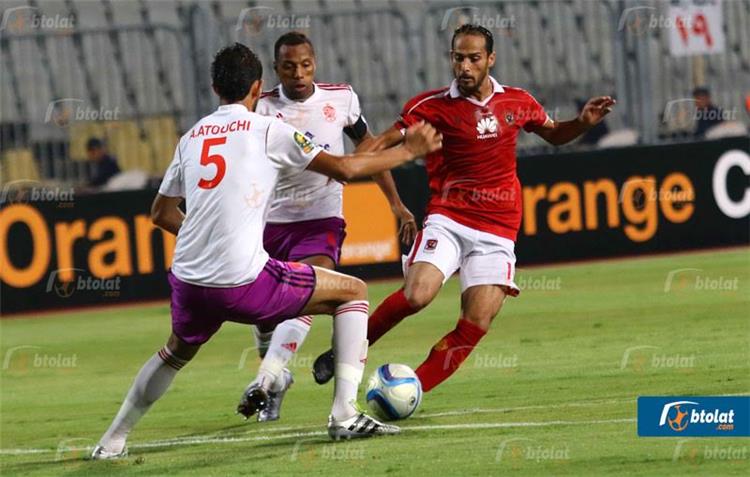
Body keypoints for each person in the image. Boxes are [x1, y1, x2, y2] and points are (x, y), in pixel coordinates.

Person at [91, 43, 441, 459]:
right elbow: (345, 168)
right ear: (258, 88)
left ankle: (111, 441)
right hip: (243, 281)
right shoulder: (268, 130)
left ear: (214, 88)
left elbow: (161, 213)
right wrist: (408, 151)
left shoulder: (192, 137)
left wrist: (206, 240)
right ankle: (343, 415)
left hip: (188, 279)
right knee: (353, 293)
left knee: (174, 353)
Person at [312, 24, 615, 392]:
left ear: (491, 59)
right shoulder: (430, 106)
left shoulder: (517, 101)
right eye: (459, 58)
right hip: (449, 218)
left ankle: (410, 391)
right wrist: (341, 166)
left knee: (476, 322)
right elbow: (379, 143)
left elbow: (553, 133)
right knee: (417, 295)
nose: (465, 67)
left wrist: (581, 123)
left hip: (499, 230)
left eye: (474, 58)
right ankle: (344, 352)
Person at [242, 32, 417, 423]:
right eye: (289, 67)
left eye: (305, 65)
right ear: (276, 69)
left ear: (315, 63)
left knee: (306, 287)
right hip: (270, 223)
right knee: (264, 315)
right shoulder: (261, 108)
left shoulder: (341, 99)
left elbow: (368, 149)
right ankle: (277, 378)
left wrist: (396, 204)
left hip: (321, 220)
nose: (299, 73)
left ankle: (265, 380)